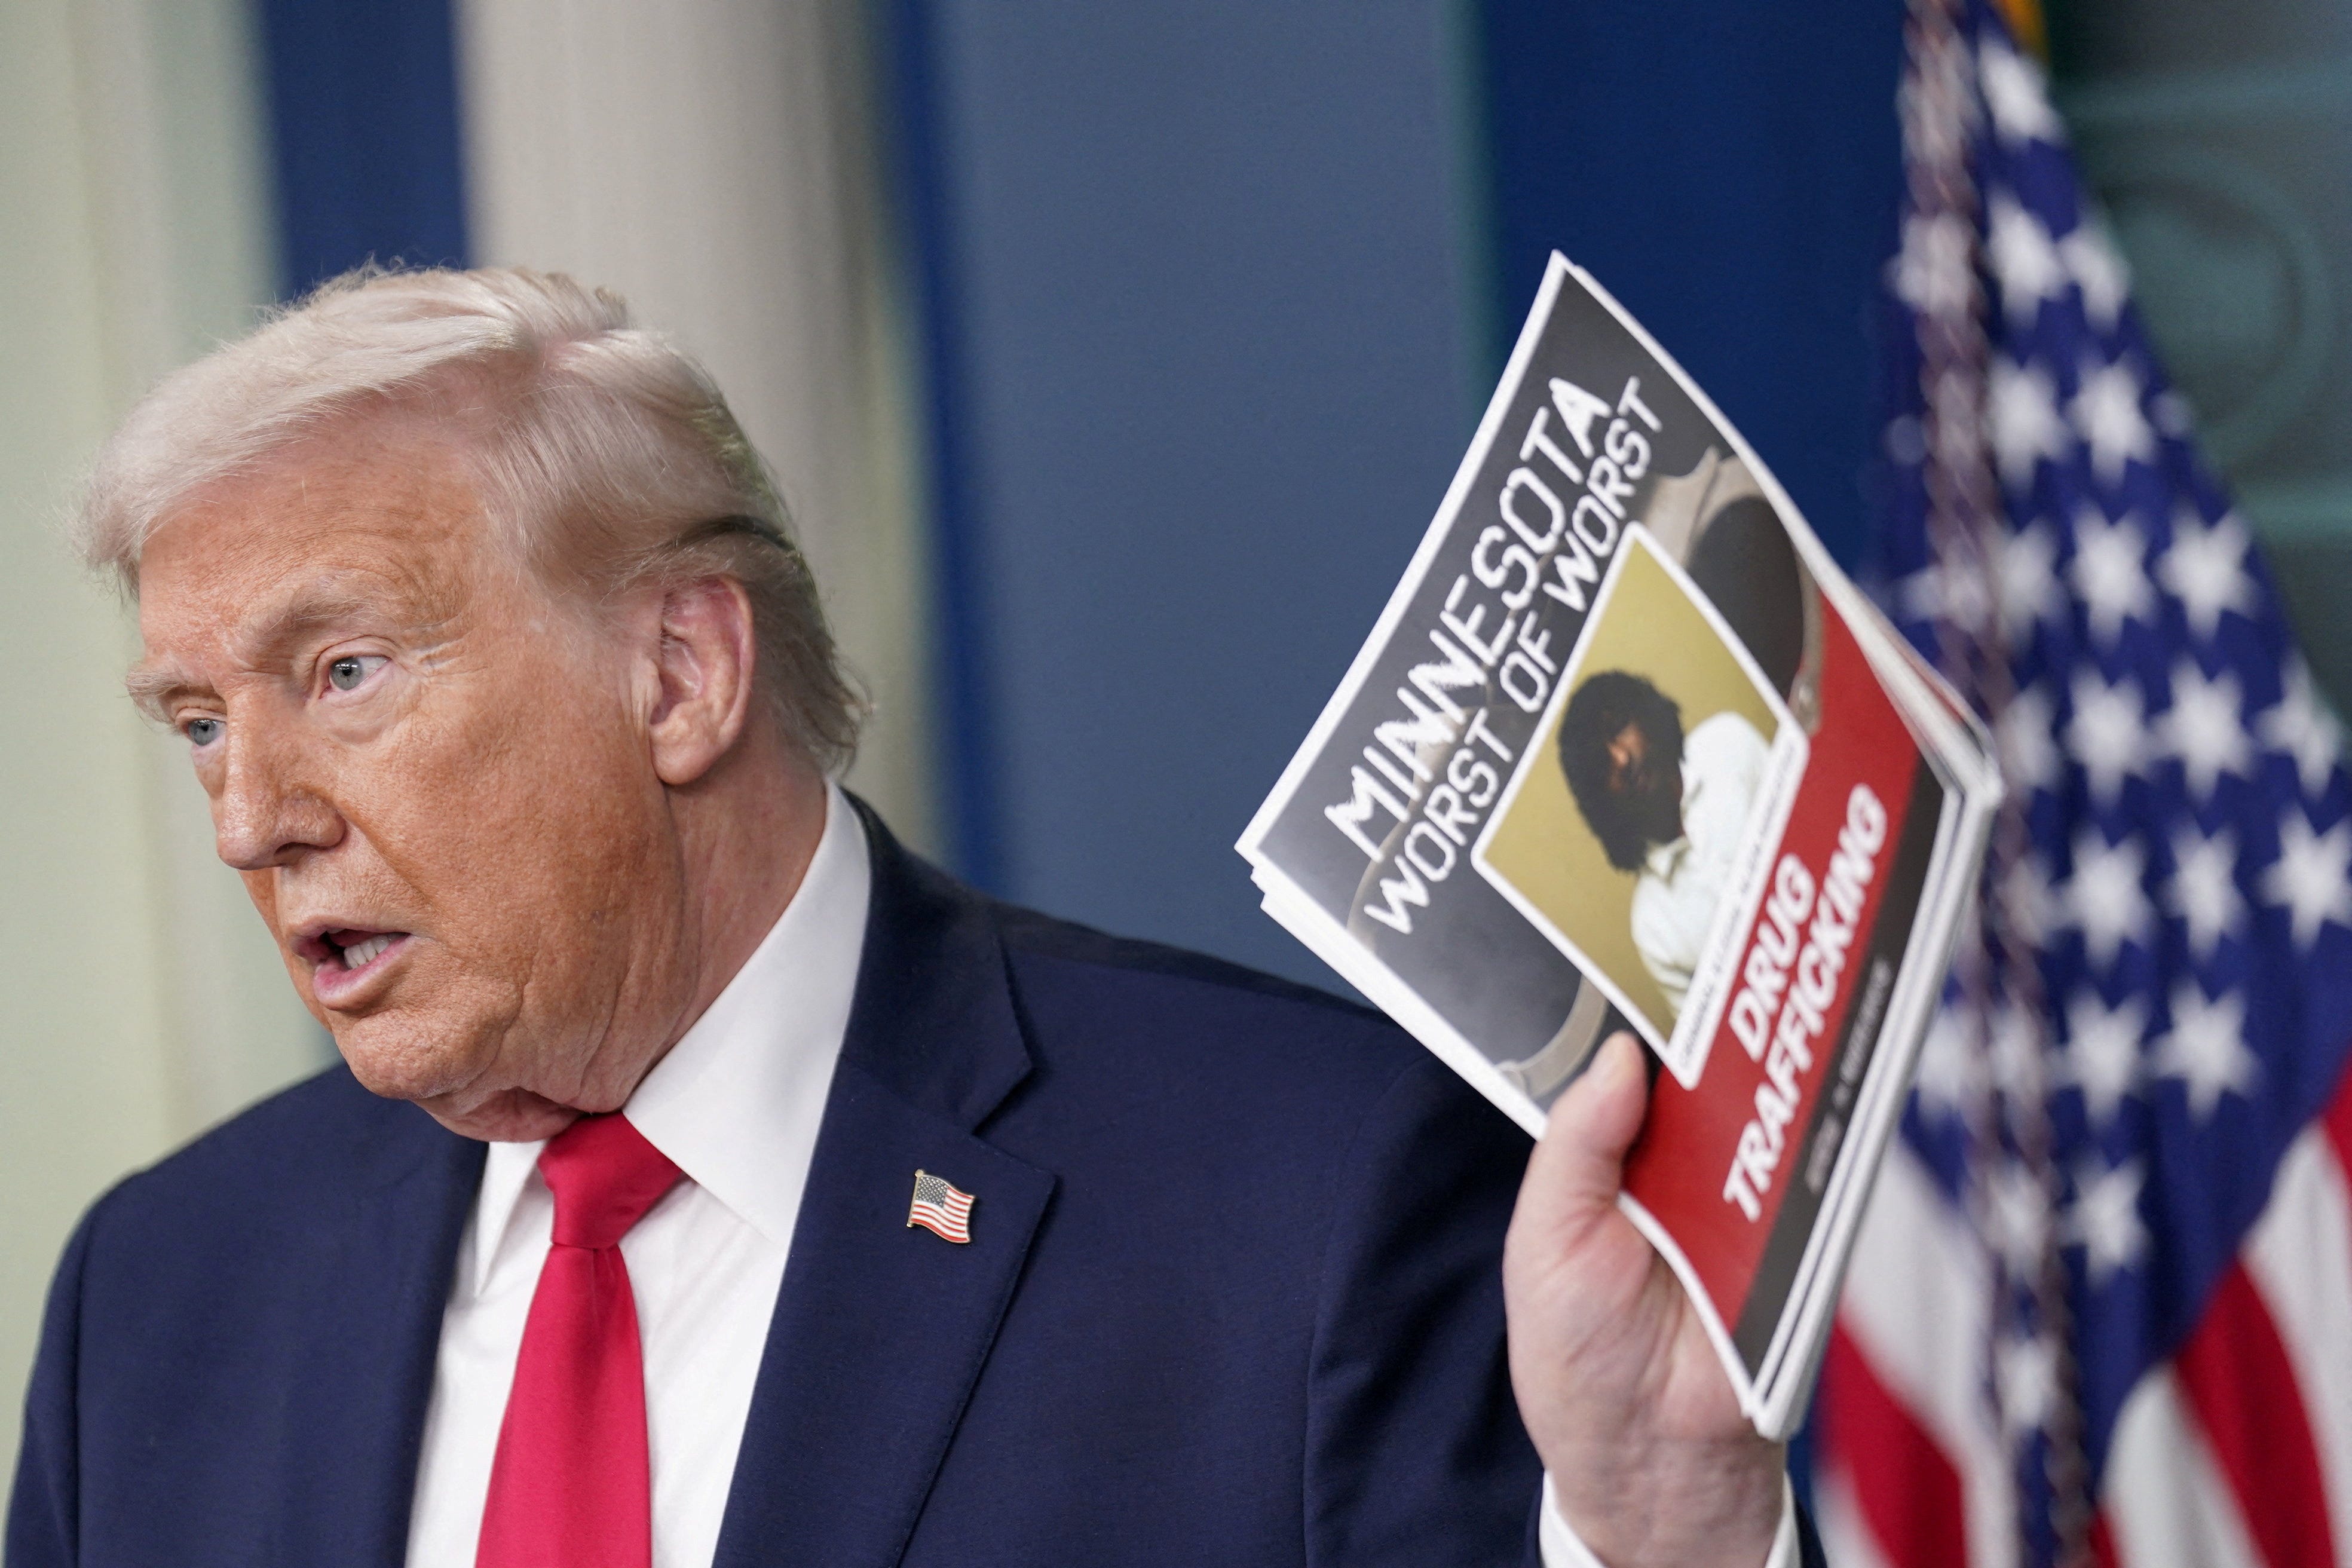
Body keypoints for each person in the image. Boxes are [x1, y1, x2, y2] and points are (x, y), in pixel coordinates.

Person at [5, 268, 1812, 1568]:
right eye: (196, 723)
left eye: (343, 670)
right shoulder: (162, 1299)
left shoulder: (1305, 1191)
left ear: (679, 670)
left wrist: (1665, 1541)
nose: (252, 817)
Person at [1556, 671, 1770, 1019]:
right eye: (1602, 762)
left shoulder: (1728, 744)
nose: (1622, 759)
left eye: (1619, 728)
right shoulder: (1652, 925)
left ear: (1645, 713)